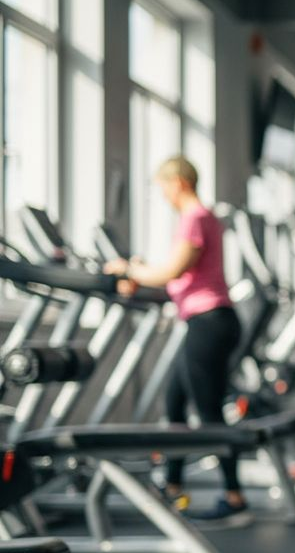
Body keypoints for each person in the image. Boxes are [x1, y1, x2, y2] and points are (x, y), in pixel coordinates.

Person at [103, 156, 248, 526]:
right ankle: (172, 486)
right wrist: (141, 271)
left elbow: (173, 270)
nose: (163, 195)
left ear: (179, 183)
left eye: (163, 187)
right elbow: (178, 275)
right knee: (176, 402)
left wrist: (129, 269)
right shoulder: (205, 217)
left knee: (210, 412)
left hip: (210, 321)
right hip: (208, 319)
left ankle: (234, 496)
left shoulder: (195, 217)